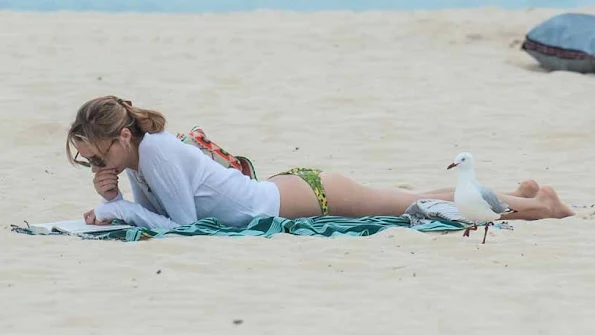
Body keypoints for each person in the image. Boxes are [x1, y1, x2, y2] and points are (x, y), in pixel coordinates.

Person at [66, 95, 574, 229]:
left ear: (123, 136)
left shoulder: (156, 150)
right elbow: (161, 208)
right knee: (417, 198)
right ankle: (524, 198)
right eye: (89, 164)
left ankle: (540, 205)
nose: (96, 166)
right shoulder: (139, 157)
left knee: (415, 204)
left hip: (308, 195)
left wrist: (119, 212)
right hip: (290, 190)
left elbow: (181, 224)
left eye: (96, 157)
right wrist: (113, 195)